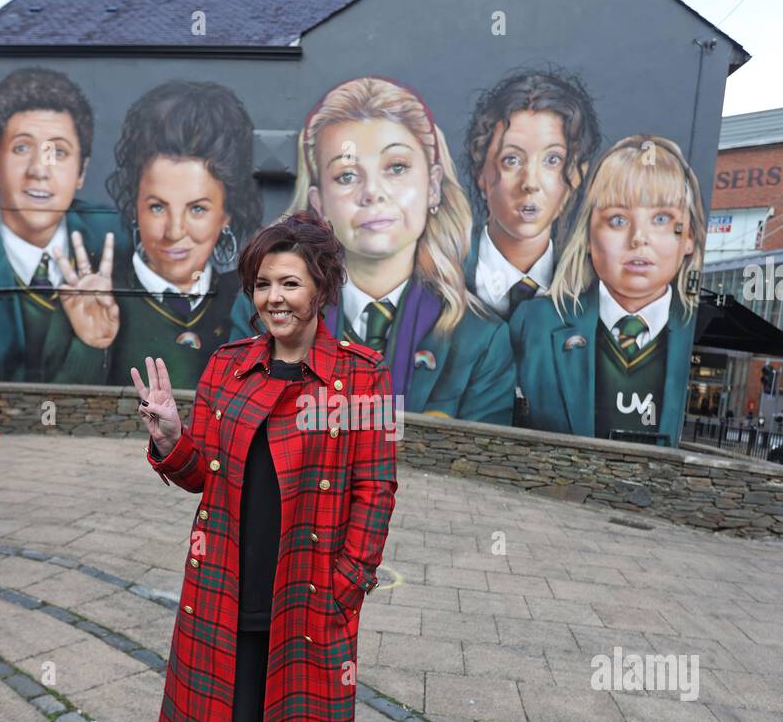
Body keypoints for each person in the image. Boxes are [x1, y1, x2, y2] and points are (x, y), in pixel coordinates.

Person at [131, 210, 398, 722]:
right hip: (226, 582)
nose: (274, 297)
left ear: (321, 289)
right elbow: (203, 475)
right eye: (262, 284)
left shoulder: (362, 378)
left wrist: (348, 583)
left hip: (306, 591)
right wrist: (171, 438)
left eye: (289, 283)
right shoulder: (229, 366)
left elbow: (377, 488)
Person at [227, 75, 516, 424]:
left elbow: (472, 471)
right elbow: (244, 427)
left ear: (433, 186)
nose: (372, 193)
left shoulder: (481, 340)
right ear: (319, 203)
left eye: (396, 168)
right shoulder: (262, 309)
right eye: (347, 175)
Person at [509, 135, 706, 446]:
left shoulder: (695, 332)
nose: (639, 238)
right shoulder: (534, 324)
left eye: (661, 219)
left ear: (690, 237)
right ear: (588, 234)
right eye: (617, 219)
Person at [0, 67, 125, 382]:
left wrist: (93, 344)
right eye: (22, 148)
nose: (39, 169)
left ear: (81, 171)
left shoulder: (125, 241)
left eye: (58, 152)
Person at [105, 81, 260, 388]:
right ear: (134, 205)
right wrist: (89, 344)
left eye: (198, 209)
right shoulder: (98, 298)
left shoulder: (245, 302)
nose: (174, 232)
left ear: (226, 214)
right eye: (157, 207)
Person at [463, 67, 600, 320]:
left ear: (577, 175)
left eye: (552, 160)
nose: (530, 182)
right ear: (481, 172)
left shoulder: (592, 293)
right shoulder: (437, 277)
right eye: (511, 159)